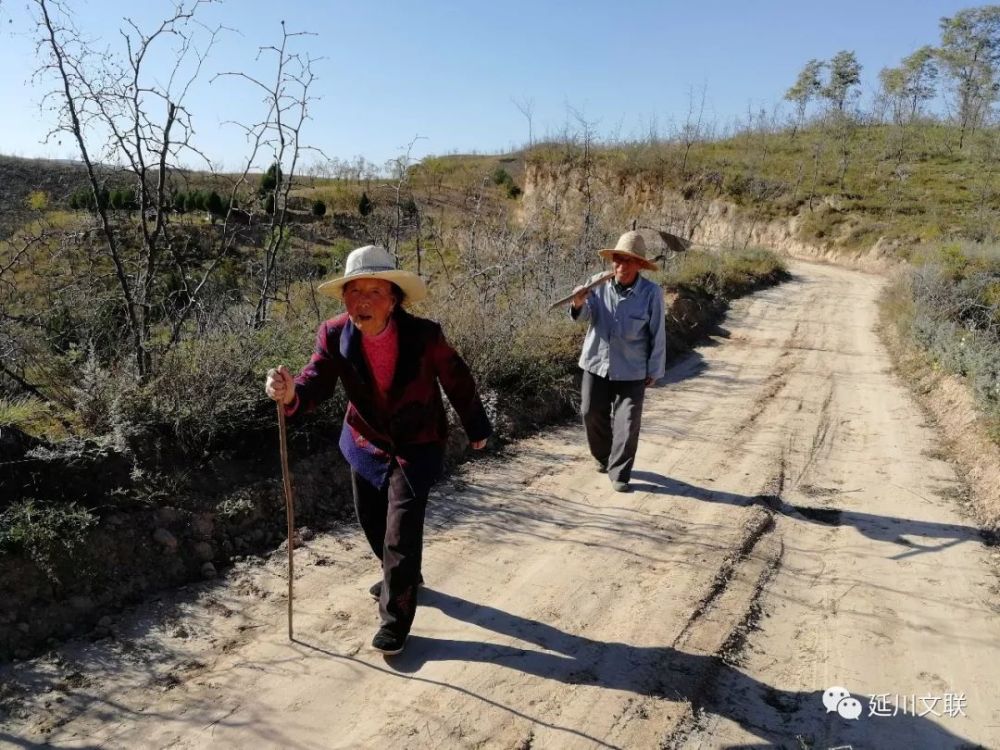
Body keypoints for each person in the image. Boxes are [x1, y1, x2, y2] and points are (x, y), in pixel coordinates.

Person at [265, 244, 491, 655]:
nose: (362, 302)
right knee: (371, 520)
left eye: (375, 292)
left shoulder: (424, 336)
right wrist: (291, 392)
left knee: (400, 532)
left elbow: (457, 379)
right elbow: (315, 380)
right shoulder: (334, 334)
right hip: (365, 440)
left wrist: (476, 425)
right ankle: (402, 574)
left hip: (417, 442)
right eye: (354, 292)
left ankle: (396, 617)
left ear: (393, 299)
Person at [570, 230, 666, 492]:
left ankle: (620, 472)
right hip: (596, 363)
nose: (621, 266)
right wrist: (579, 303)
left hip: (632, 369)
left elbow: (657, 333)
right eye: (617, 260)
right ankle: (604, 457)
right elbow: (584, 314)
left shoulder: (651, 293)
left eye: (628, 261)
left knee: (628, 422)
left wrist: (654, 369)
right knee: (590, 411)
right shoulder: (597, 284)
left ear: (639, 265)